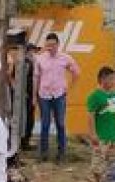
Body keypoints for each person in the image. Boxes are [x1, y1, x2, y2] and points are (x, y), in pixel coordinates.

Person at [33, 32, 80, 163]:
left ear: (58, 45)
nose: (50, 48)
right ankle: (43, 153)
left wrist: (69, 87)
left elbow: (76, 72)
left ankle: (61, 153)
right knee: (45, 124)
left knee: (60, 123)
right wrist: (34, 96)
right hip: (44, 95)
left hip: (59, 94)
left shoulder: (65, 58)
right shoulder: (40, 59)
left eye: (53, 45)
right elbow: (36, 78)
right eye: (48, 45)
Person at [87, 67, 115, 182]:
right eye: (111, 79)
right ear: (103, 79)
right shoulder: (94, 96)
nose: (114, 82)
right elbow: (90, 116)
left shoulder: (113, 95)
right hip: (102, 136)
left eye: (114, 79)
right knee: (97, 166)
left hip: (114, 136)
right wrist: (93, 134)